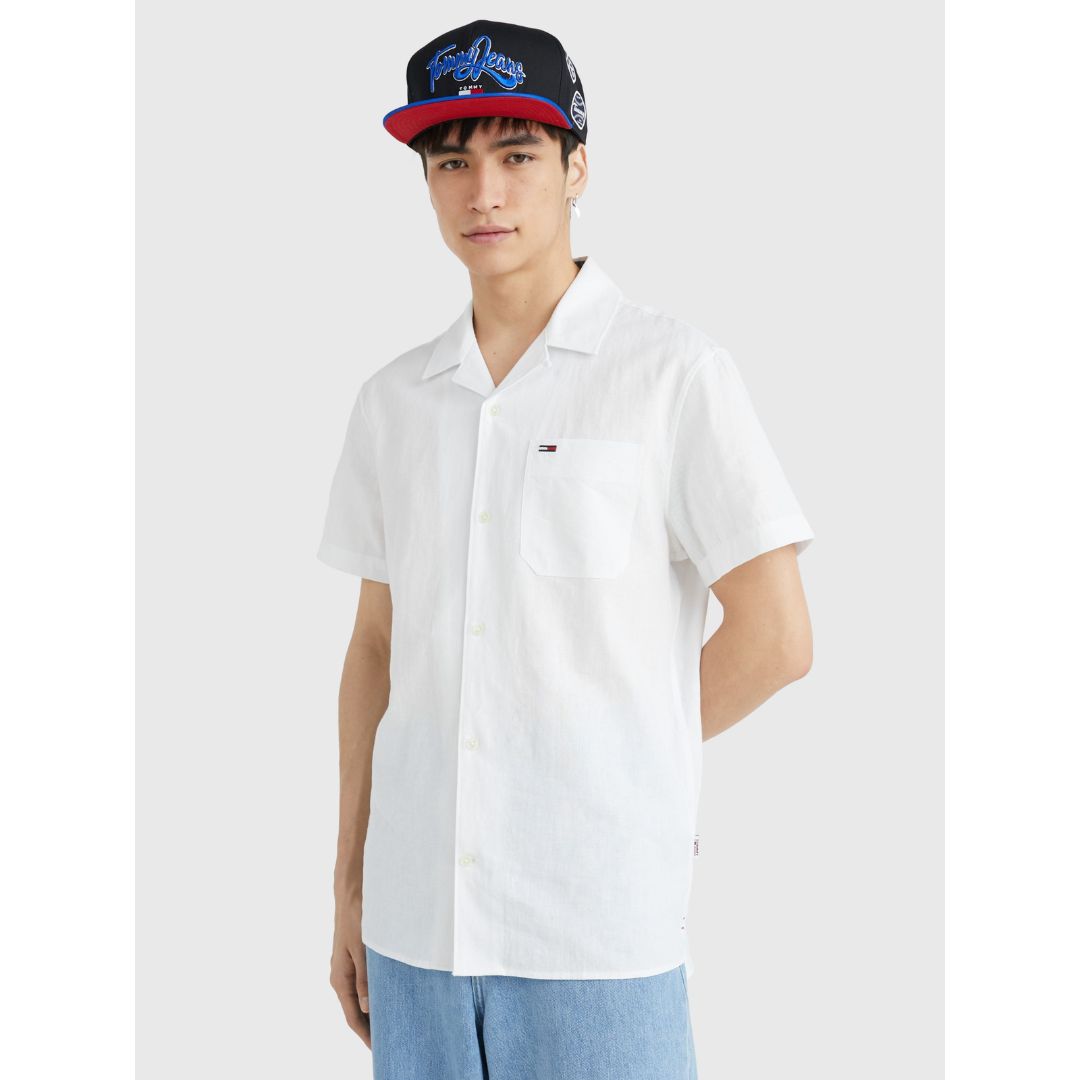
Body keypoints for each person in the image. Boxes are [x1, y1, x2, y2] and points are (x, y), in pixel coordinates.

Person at [318, 18, 815, 1079]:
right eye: (452, 163)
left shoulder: (672, 374)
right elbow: (376, 647)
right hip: (415, 931)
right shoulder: (394, 402)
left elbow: (777, 637)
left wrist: (615, 755)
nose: (484, 193)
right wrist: (350, 885)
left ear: (577, 167)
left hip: (594, 928)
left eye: (517, 155)